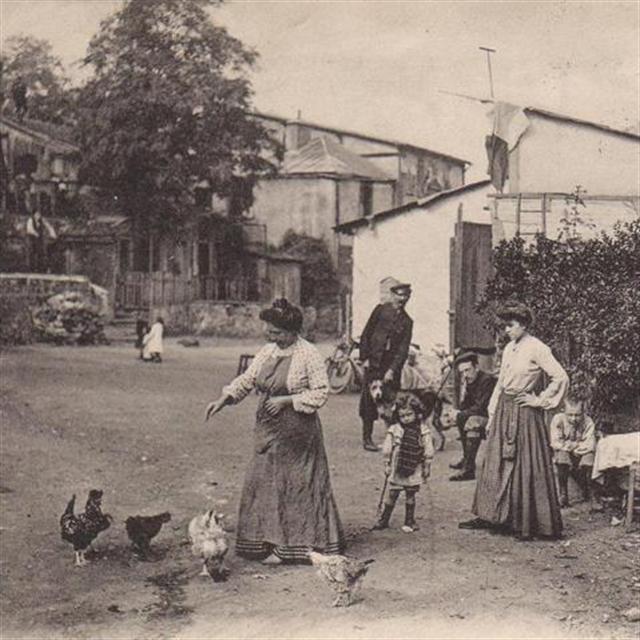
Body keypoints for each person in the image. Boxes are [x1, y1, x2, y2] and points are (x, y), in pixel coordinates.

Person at [205, 299, 344, 565]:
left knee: (295, 484)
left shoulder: (308, 353)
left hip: (297, 431)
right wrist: (224, 398)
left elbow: (320, 392)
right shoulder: (268, 351)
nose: (272, 337)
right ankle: (264, 541)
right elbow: (248, 379)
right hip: (267, 427)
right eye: (269, 332)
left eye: (277, 333)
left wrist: (287, 400)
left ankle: (292, 547)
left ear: (292, 331)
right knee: (264, 480)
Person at [459, 302, 568, 540]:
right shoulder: (509, 347)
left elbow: (560, 377)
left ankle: (525, 522)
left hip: (525, 412)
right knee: (494, 462)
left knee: (524, 464)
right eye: (505, 326)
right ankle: (490, 515)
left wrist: (539, 400)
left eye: (510, 325)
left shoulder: (538, 348)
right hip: (504, 409)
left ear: (524, 325)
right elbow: (501, 383)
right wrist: (492, 413)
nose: (506, 330)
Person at [358, 278, 413, 452]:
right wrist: (364, 357)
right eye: (399, 295)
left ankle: (394, 437)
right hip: (373, 363)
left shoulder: (407, 321)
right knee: (368, 402)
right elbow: (366, 334)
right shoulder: (380, 311)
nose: (402, 299)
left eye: (405, 296)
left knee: (392, 402)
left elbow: (403, 350)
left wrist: (392, 370)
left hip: (390, 368)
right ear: (392, 295)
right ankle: (367, 438)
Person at [373, 393, 434, 533]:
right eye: (402, 416)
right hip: (398, 466)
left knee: (410, 494)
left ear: (417, 413)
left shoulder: (422, 430)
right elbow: (387, 448)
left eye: (409, 414)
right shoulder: (395, 429)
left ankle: (409, 520)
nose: (406, 418)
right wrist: (387, 463)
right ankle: (384, 519)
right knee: (393, 493)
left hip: (414, 466)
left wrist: (427, 465)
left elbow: (428, 448)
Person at [449, 352, 497, 481]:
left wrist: (460, 414)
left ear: (476, 367)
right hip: (481, 415)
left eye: (467, 370)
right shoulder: (470, 380)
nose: (465, 374)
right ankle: (467, 459)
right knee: (463, 417)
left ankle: (469, 470)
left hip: (494, 417)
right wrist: (457, 412)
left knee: (472, 421)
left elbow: (481, 407)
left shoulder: (487, 380)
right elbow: (467, 404)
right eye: (462, 372)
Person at [549, 396, 597, 508]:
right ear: (564, 411)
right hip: (565, 450)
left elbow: (590, 444)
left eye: (577, 415)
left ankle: (592, 493)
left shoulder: (588, 421)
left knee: (589, 458)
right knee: (562, 457)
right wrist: (568, 447)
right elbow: (555, 442)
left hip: (580, 451)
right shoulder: (558, 419)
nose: (574, 418)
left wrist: (576, 446)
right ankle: (563, 494)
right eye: (570, 415)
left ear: (583, 412)